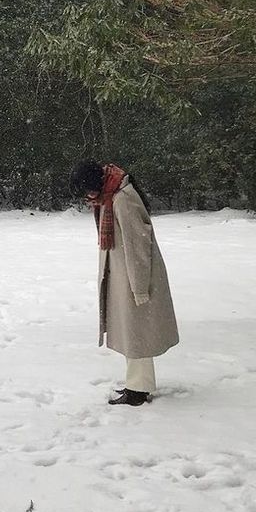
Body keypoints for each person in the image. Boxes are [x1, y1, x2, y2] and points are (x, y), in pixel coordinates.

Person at [70, 159, 179, 406]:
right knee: (133, 333)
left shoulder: (122, 199)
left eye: (87, 189)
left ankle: (138, 390)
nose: (87, 196)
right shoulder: (111, 196)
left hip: (135, 276)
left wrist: (139, 287)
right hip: (123, 274)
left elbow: (139, 244)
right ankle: (136, 385)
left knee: (137, 333)